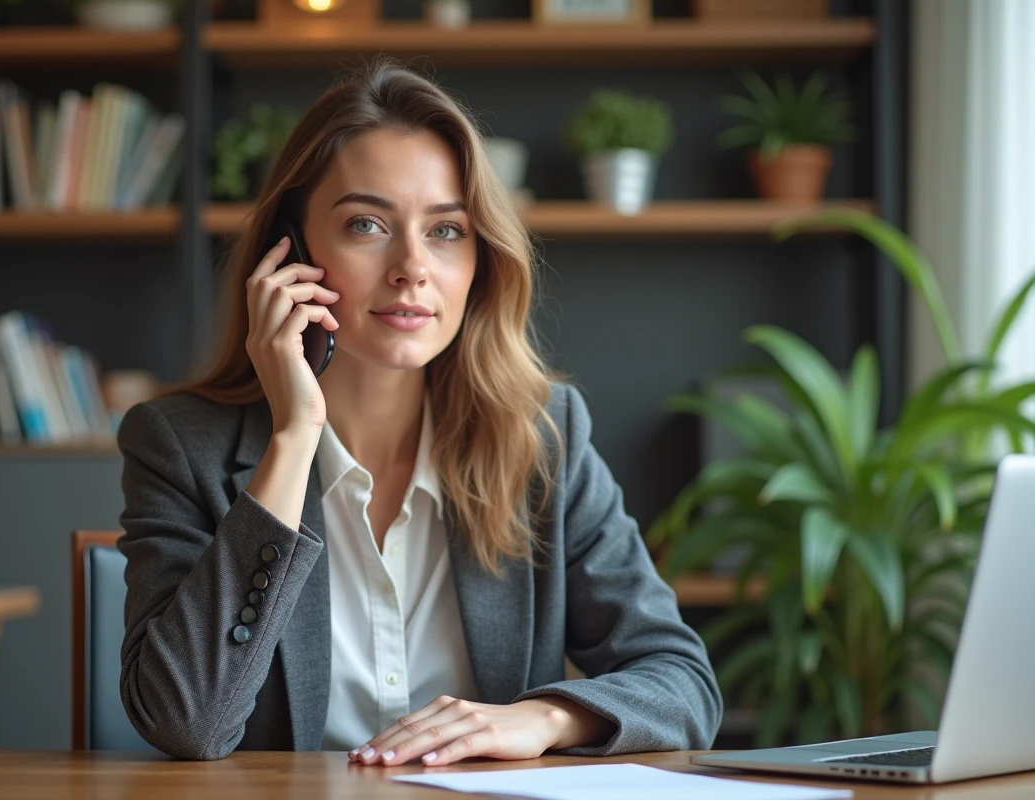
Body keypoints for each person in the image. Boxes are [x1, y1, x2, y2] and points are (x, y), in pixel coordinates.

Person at [116, 58, 721, 764]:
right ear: (291, 253)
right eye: (367, 224)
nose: (412, 267)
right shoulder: (177, 445)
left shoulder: (544, 438)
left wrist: (543, 719)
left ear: (480, 260)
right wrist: (291, 439)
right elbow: (188, 723)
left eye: (446, 230)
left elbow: (684, 686)